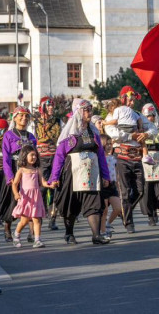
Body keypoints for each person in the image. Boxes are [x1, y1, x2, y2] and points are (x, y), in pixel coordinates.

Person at [49, 99, 111, 245]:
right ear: (78, 112)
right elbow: (59, 157)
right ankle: (69, 233)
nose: (90, 113)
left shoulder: (94, 134)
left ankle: (96, 235)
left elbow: (101, 156)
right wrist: (54, 177)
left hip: (92, 174)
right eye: (86, 110)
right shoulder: (69, 136)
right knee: (71, 203)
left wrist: (106, 175)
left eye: (90, 109)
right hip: (72, 173)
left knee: (94, 203)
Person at [110, 87, 157, 233]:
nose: (132, 102)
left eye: (133, 99)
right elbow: (111, 132)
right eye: (129, 99)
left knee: (140, 190)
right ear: (123, 98)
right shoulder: (115, 114)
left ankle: (126, 209)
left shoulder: (138, 115)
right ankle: (128, 221)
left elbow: (154, 129)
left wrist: (146, 135)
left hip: (136, 157)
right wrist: (131, 136)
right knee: (125, 191)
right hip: (122, 157)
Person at [0, 106, 37, 243]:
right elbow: (6, 158)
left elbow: (35, 156)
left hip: (28, 171)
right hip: (14, 169)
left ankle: (32, 233)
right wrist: (9, 176)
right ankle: (7, 228)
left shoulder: (31, 137)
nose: (24, 118)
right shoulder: (9, 135)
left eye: (26, 116)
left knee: (31, 199)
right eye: (21, 116)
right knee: (13, 200)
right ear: (14, 118)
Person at [11, 144, 52, 248]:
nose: (34, 157)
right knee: (24, 221)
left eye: (35, 155)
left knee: (36, 219)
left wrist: (50, 184)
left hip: (36, 197)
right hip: (26, 198)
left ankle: (37, 240)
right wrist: (16, 194)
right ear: (25, 156)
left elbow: (43, 182)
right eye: (31, 155)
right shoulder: (21, 170)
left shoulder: (37, 170)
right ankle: (16, 235)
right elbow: (14, 184)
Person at [34, 96, 63, 230]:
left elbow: (62, 138)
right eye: (48, 105)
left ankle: (53, 217)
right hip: (41, 158)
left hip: (55, 156)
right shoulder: (34, 123)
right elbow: (32, 140)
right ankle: (40, 214)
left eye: (52, 105)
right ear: (43, 107)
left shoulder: (58, 121)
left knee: (56, 185)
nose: (51, 108)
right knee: (42, 187)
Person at [139, 103, 159, 226]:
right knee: (148, 189)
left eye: (152, 115)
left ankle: (156, 207)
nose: (150, 118)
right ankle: (151, 214)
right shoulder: (141, 131)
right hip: (146, 160)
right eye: (147, 116)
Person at [98, 133, 122, 239]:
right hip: (103, 186)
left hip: (112, 186)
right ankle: (102, 232)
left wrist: (118, 184)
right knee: (104, 210)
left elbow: (115, 172)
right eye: (106, 144)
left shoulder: (112, 157)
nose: (109, 146)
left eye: (110, 144)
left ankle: (107, 224)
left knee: (118, 208)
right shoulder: (99, 158)